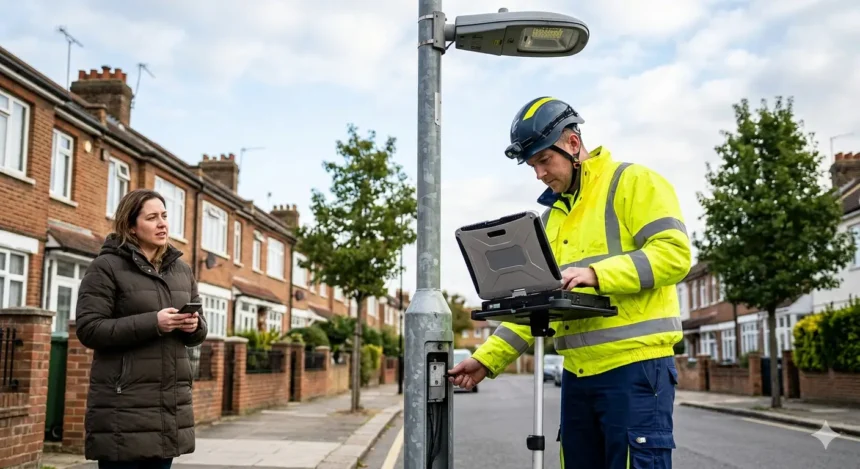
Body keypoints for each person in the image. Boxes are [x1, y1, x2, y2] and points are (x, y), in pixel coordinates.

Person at [447, 97, 691, 469]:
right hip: (576, 374)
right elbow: (537, 305)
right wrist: (484, 359)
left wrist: (597, 275)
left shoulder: (634, 182)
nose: (539, 174)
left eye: (545, 160)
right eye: (532, 166)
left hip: (636, 368)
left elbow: (674, 255)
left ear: (573, 144)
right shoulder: (550, 220)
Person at [76, 188, 208, 469]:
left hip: (168, 408)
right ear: (131, 227)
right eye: (152, 217)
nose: (162, 223)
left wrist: (193, 326)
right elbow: (89, 329)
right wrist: (154, 322)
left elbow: (199, 332)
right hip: (124, 408)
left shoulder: (181, 271)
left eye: (164, 215)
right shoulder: (106, 267)